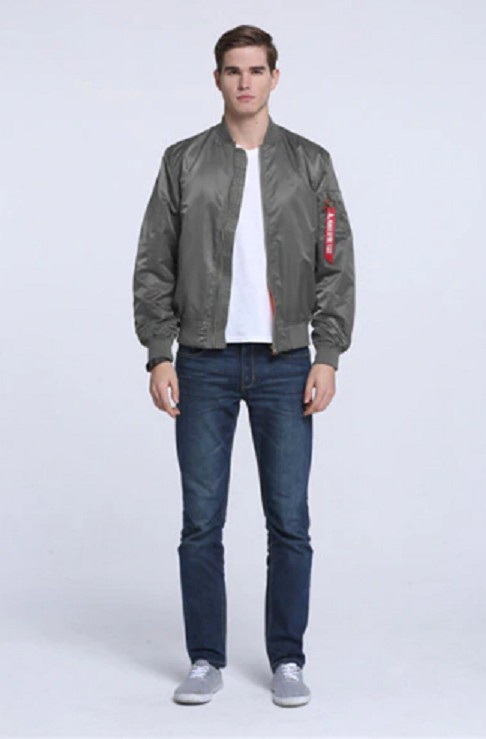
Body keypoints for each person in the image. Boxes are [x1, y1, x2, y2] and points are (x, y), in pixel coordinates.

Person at [132, 24, 355, 707]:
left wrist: (327, 354)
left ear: (274, 78)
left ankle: (287, 658)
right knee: (201, 520)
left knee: (289, 521)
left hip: (286, 364)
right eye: (233, 70)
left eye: (256, 70)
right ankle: (206, 657)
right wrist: (160, 353)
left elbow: (335, 263)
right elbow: (154, 263)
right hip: (203, 362)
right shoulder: (183, 161)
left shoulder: (310, 163)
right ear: (218, 79)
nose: (245, 82)